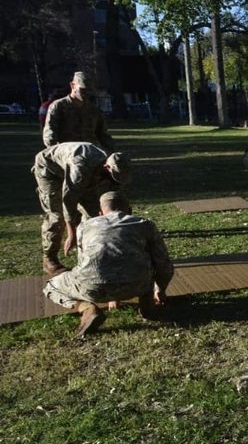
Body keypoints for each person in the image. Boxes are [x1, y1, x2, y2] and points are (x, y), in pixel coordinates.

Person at [43, 191, 174, 338]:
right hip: (138, 285)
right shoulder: (145, 224)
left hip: (93, 289)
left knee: (51, 286)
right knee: (144, 268)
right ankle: (147, 305)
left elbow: (88, 264)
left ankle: (87, 308)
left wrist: (111, 295)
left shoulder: (84, 226)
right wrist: (160, 290)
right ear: (129, 211)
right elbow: (163, 263)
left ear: (100, 213)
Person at [33, 142, 132, 276]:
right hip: (50, 170)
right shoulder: (82, 167)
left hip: (81, 173)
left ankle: (90, 259)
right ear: (106, 167)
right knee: (57, 216)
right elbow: (68, 200)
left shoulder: (112, 167)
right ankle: (49, 259)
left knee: (93, 216)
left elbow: (115, 197)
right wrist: (71, 234)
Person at [42, 71, 115, 152]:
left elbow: (103, 135)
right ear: (72, 85)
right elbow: (49, 133)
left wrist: (111, 153)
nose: (86, 93)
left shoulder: (94, 110)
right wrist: (56, 152)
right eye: (83, 90)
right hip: (68, 153)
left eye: (89, 90)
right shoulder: (59, 106)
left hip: (92, 154)